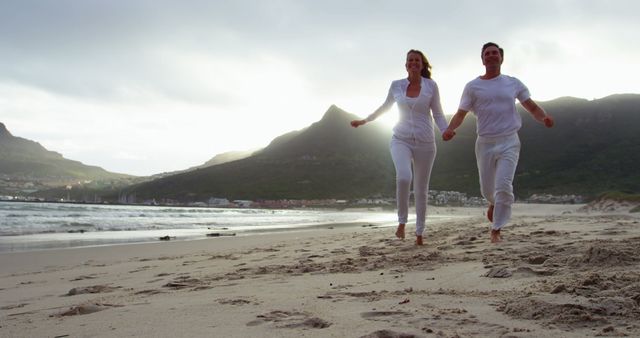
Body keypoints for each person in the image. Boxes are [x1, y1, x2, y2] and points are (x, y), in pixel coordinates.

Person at [442, 42, 554, 243]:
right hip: (485, 143)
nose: (491, 56)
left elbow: (531, 106)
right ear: (482, 59)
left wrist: (544, 117)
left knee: (503, 185)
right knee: (487, 190)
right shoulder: (472, 86)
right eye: (487, 54)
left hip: (509, 140)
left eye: (495, 53)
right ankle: (493, 203)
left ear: (501, 58)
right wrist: (451, 129)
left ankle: (496, 229)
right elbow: (461, 113)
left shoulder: (513, 83)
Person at [351, 49, 448, 246]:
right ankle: (402, 222)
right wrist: (365, 120)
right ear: (406, 65)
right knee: (404, 177)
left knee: (421, 189)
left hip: (426, 143)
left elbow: (437, 113)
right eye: (410, 60)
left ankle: (419, 233)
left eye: (417, 60)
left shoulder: (431, 86)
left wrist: (446, 130)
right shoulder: (396, 85)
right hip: (400, 139)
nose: (413, 63)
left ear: (422, 64)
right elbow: (385, 107)